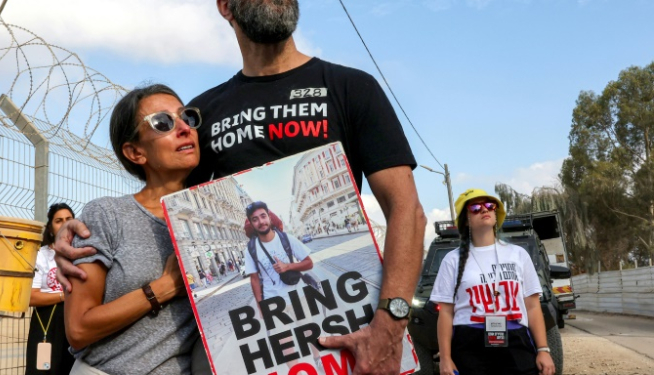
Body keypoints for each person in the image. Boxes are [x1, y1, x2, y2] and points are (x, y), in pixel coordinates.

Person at [54, 1, 427, 373]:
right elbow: (166, 203)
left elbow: (406, 211)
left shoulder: (352, 88)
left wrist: (391, 323)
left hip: (342, 340)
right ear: (225, 7)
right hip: (248, 350)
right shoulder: (202, 115)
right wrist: (74, 233)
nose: (180, 127)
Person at [63, 84, 207, 374]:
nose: (183, 128)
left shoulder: (214, 218)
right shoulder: (108, 214)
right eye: (163, 123)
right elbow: (78, 328)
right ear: (135, 152)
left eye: (187, 117)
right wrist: (165, 287)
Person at [429, 189, 555, 375]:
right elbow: (446, 313)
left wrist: (543, 350)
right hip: (469, 342)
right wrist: (446, 359)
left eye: (489, 205)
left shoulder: (518, 255)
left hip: (515, 339)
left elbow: (532, 306)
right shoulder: (452, 260)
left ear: (496, 213)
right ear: (465, 219)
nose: (484, 210)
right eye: (475, 207)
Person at [243, 201, 321, 369]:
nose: (261, 221)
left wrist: (288, 266)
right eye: (255, 219)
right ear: (252, 223)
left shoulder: (286, 239)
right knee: (284, 344)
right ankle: (296, 371)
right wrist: (260, 305)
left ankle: (318, 360)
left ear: (269, 218)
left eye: (263, 216)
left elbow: (309, 263)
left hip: (297, 295)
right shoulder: (251, 249)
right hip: (273, 302)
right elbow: (254, 279)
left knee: (309, 332)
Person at [25, 203, 76, 375]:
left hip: (76, 320)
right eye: (58, 220)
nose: (64, 224)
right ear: (51, 228)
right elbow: (32, 297)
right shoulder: (41, 255)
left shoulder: (85, 254)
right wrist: (65, 295)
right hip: (48, 323)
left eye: (69, 219)